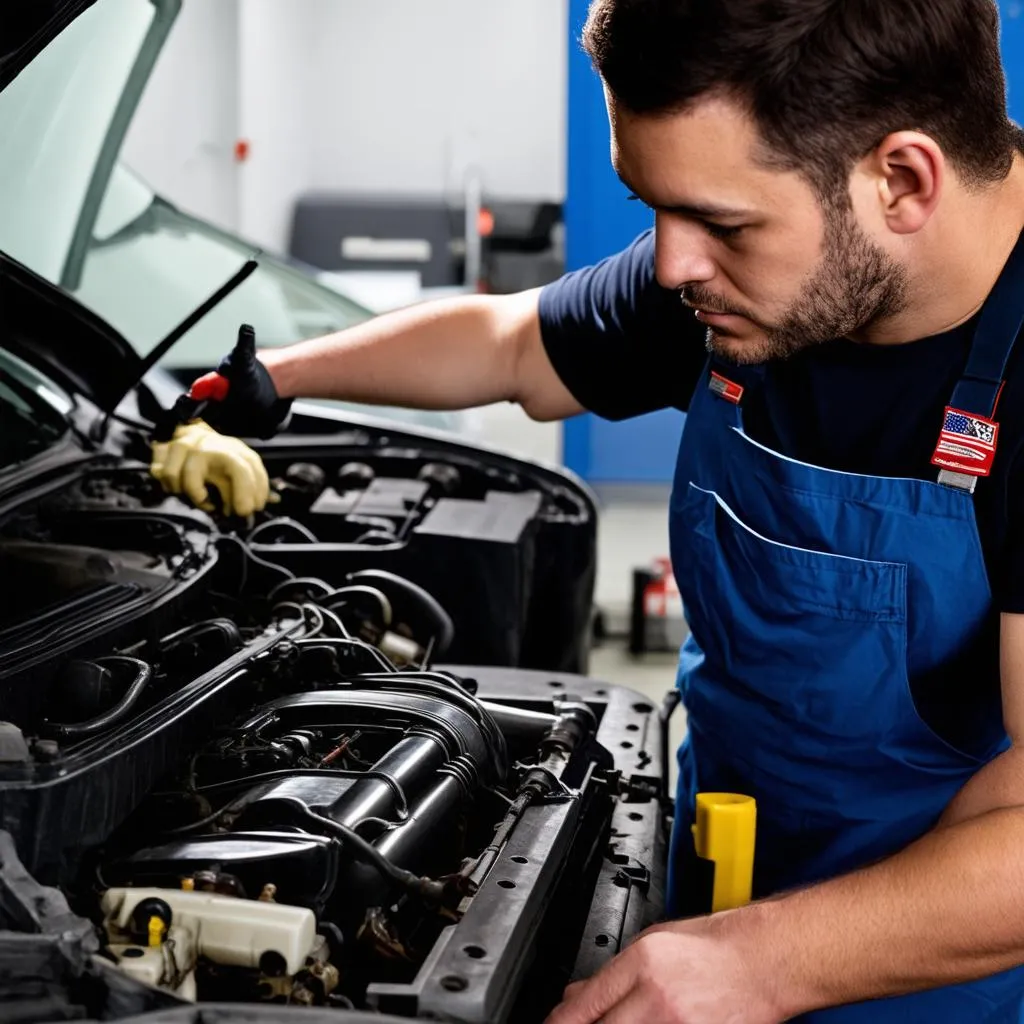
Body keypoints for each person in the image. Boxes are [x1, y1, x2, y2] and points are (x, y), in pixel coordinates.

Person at [170, 0, 1024, 1019]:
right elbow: (513, 346)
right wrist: (279, 377)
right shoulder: (742, 278)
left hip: (928, 964)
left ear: (901, 180)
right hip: (720, 864)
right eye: (656, 209)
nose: (671, 265)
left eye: (720, 221)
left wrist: (763, 961)